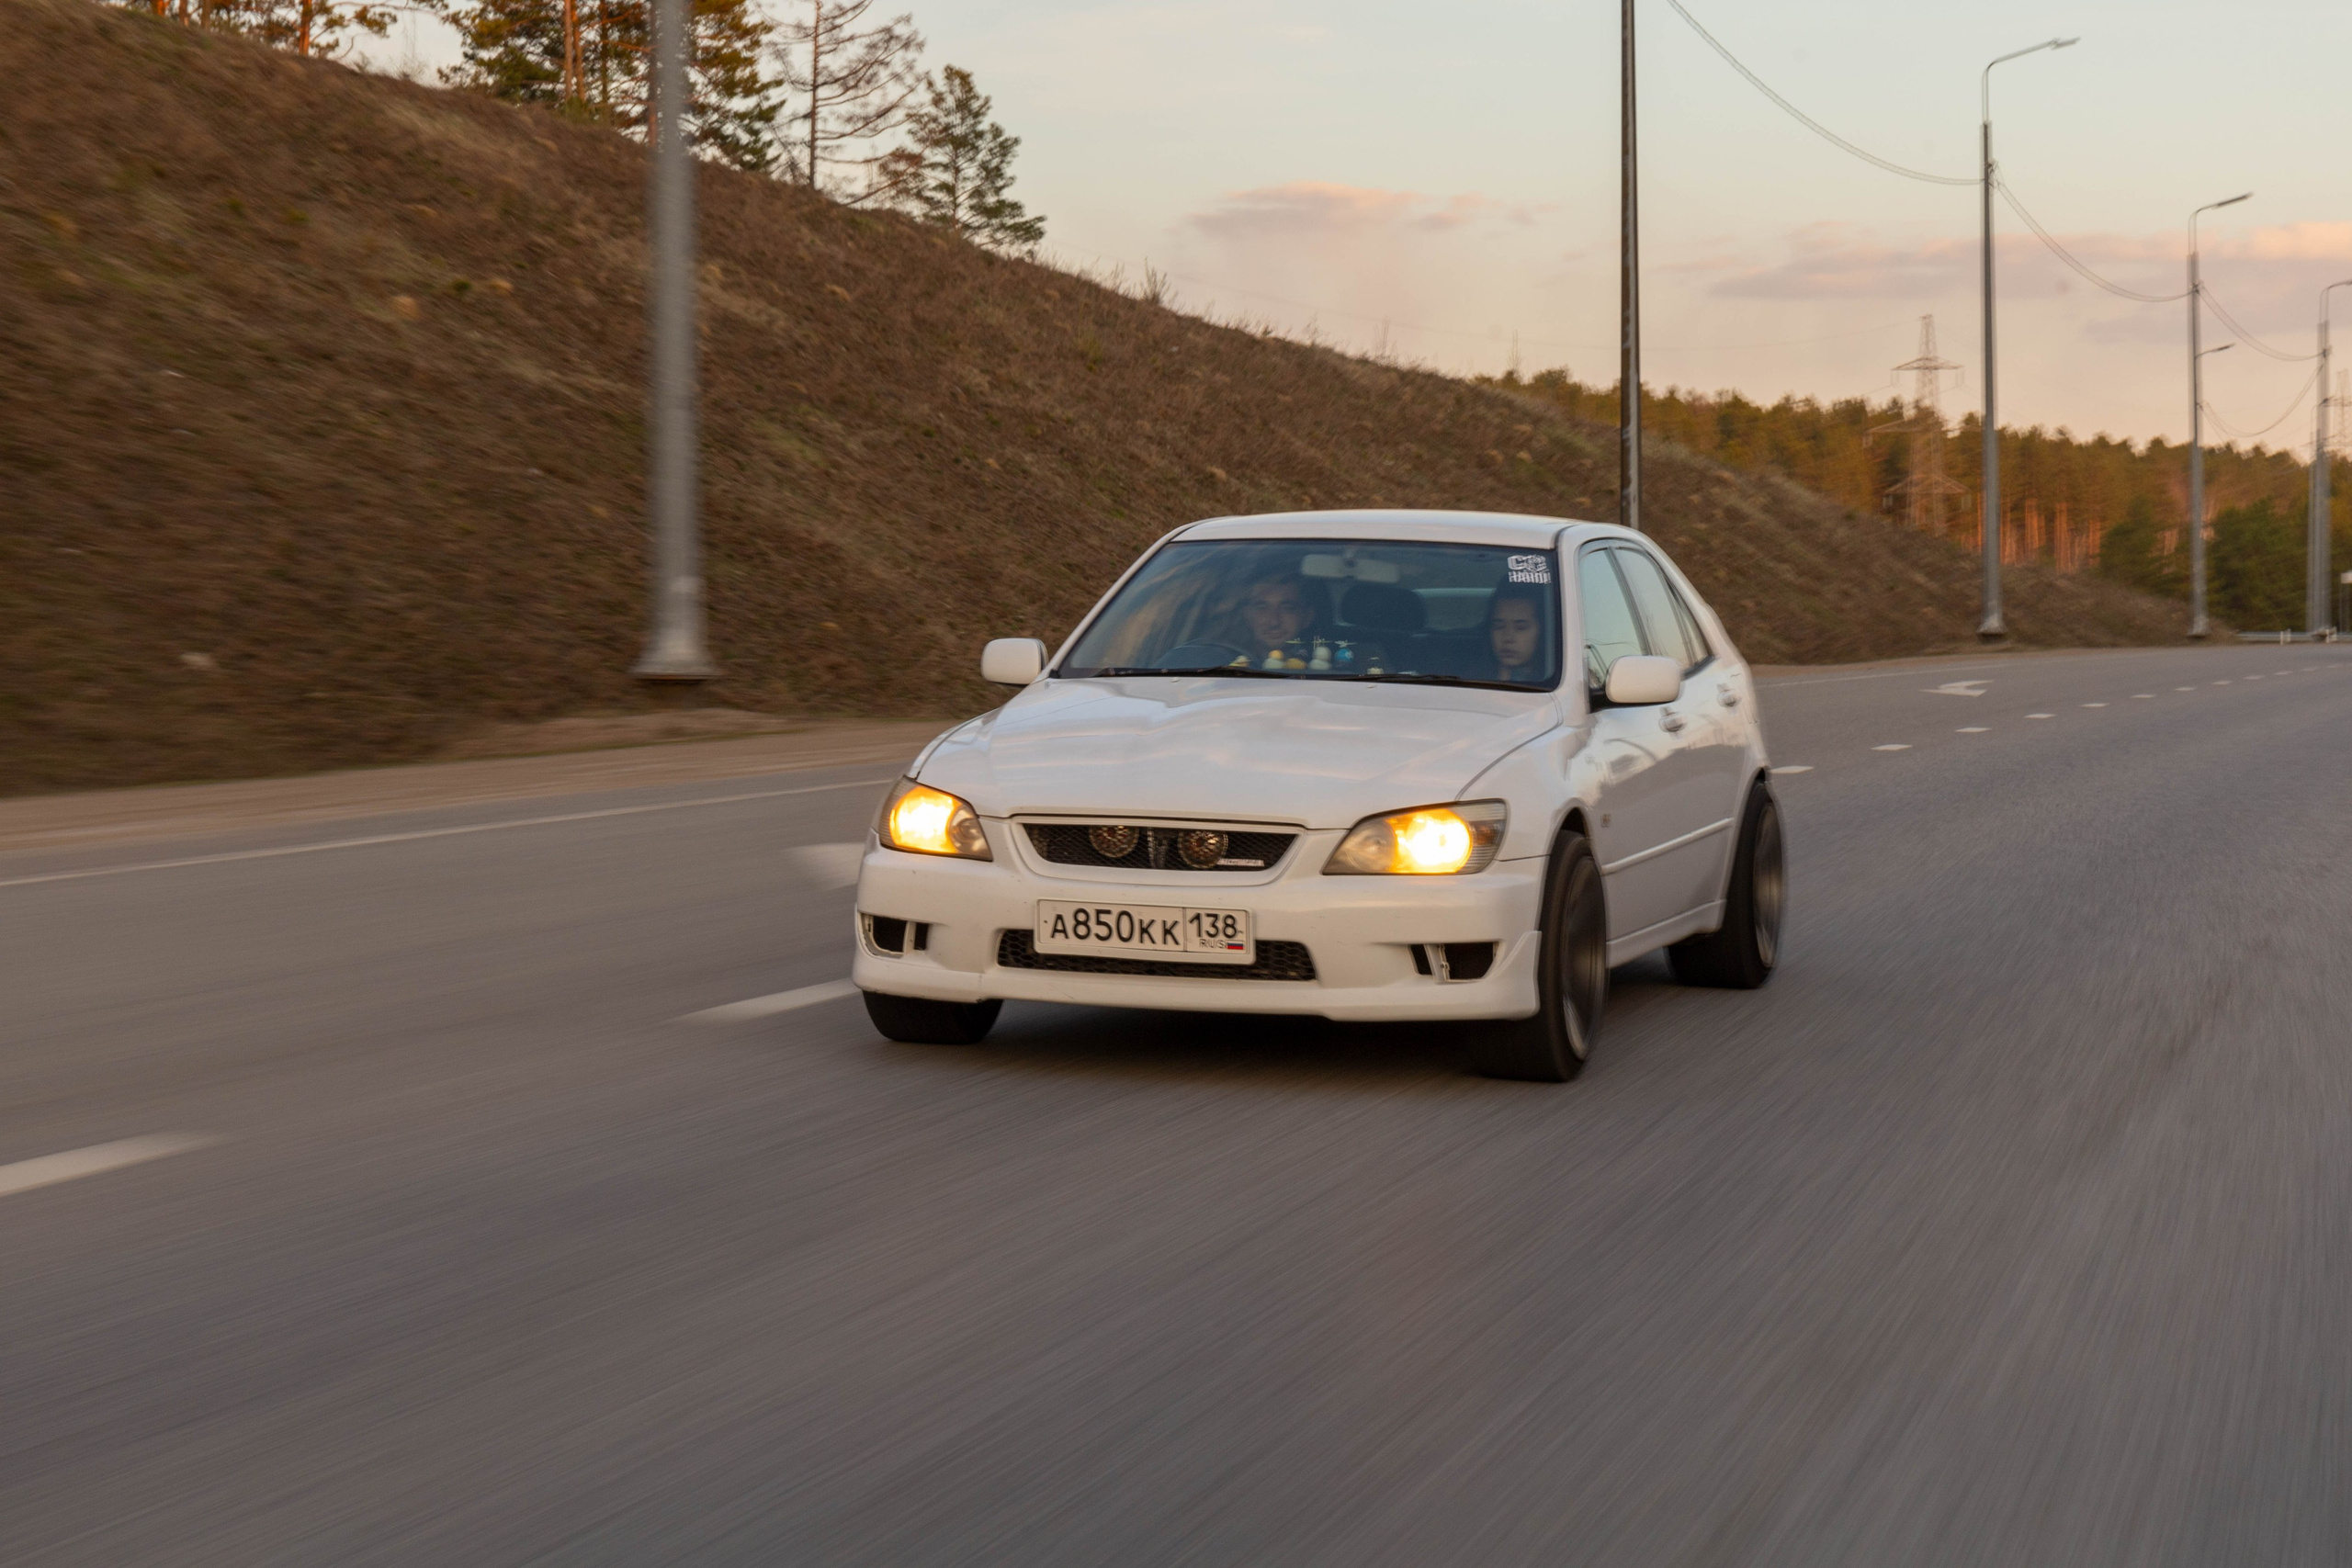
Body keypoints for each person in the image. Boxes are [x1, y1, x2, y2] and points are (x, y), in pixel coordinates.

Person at [1487, 584, 1549, 683]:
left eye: (1521, 628)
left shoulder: (1556, 683)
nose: (1508, 637)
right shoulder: (1468, 679)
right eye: (1499, 626)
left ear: (1542, 631)